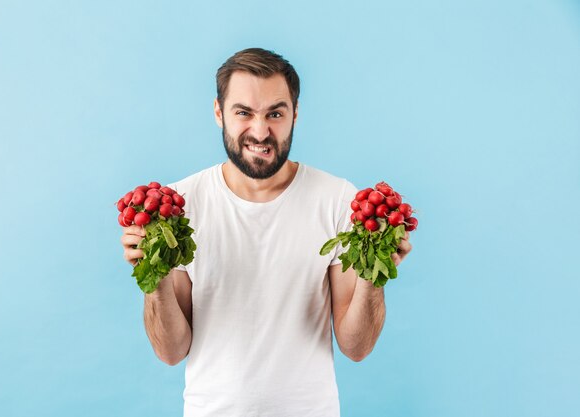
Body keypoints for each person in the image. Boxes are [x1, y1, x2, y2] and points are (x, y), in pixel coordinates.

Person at [120, 47, 413, 417]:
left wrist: (376, 272)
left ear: (295, 114)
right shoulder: (179, 207)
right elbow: (170, 352)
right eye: (244, 112)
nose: (260, 131)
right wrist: (155, 275)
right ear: (218, 112)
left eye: (275, 113)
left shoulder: (338, 199)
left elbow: (357, 347)